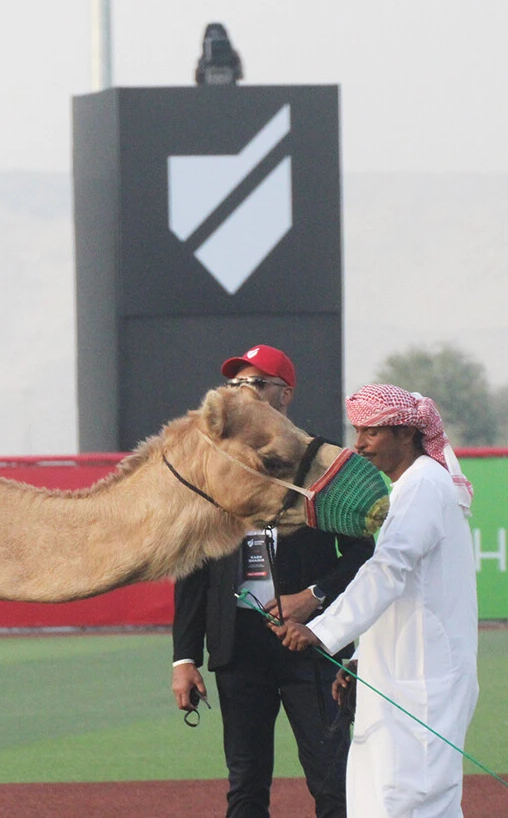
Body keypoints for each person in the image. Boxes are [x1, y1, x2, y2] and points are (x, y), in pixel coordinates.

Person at [171, 344, 374, 818]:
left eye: (258, 383)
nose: (245, 392)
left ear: (285, 395)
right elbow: (193, 563)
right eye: (238, 384)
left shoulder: (323, 464)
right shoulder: (211, 467)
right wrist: (184, 657)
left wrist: (314, 596)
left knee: (332, 780)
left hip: (310, 641)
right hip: (238, 647)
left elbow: (364, 552)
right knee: (245, 786)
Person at [275, 384, 478, 817]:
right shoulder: (407, 489)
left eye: (371, 433)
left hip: (423, 682)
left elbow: (386, 571)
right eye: (357, 431)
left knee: (413, 805)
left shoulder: (425, 484)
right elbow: (404, 593)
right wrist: (360, 661)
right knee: (377, 801)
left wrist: (320, 630)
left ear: (406, 434)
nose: (359, 444)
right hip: (395, 676)